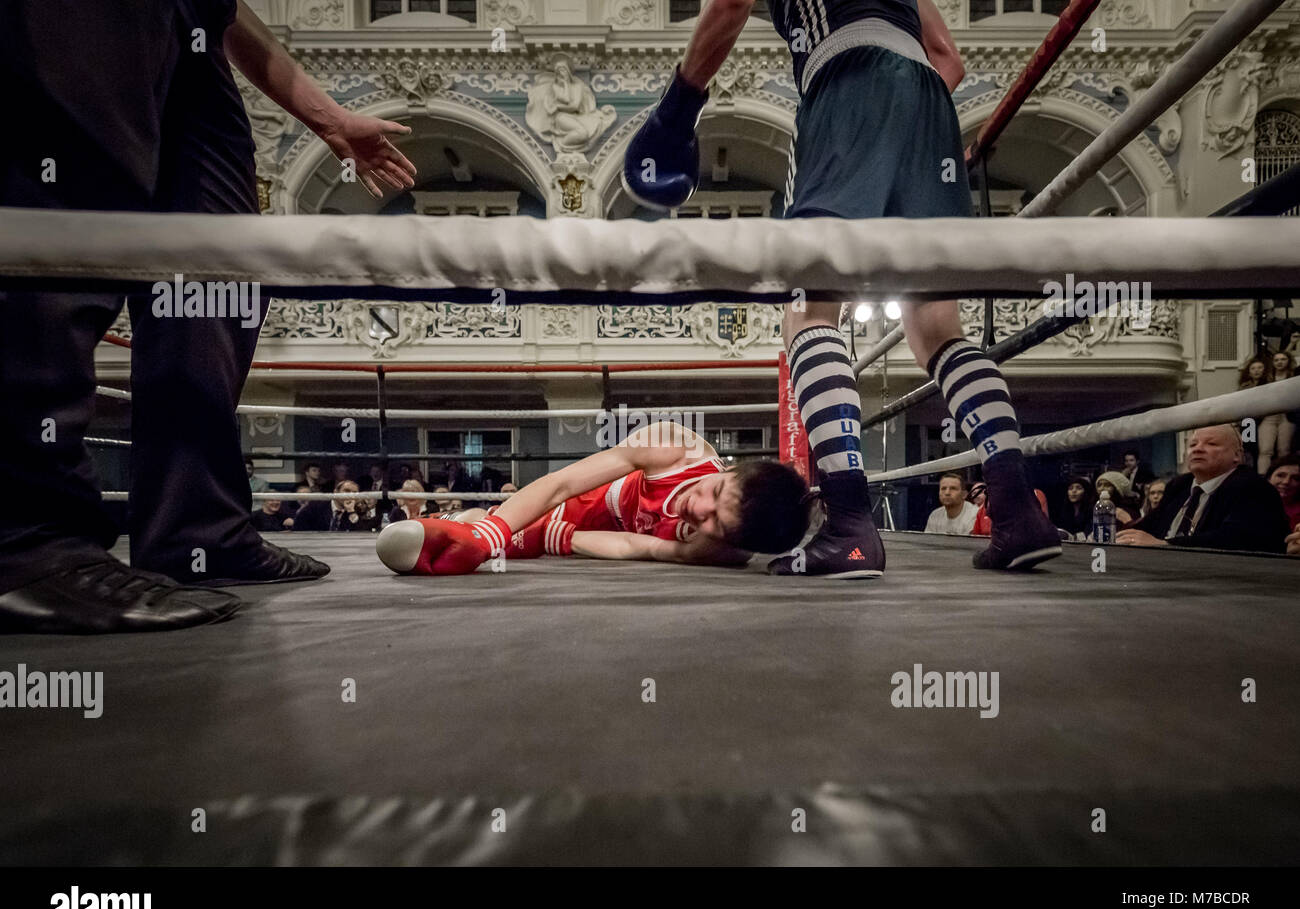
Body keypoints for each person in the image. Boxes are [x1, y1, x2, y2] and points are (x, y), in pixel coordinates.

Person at [1, 0, 413, 630]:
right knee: (71, 193)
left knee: (219, 260)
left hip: (188, 28)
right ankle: (26, 539)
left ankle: (196, 531)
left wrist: (325, 117)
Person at [621, 0, 1059, 576]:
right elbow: (948, 59)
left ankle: (852, 528)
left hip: (846, 83)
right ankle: (1019, 513)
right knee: (935, 331)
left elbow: (728, 4)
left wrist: (679, 108)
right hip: (929, 105)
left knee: (808, 311)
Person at [375, 423, 811, 575]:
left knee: (531, 542)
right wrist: (491, 535)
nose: (698, 510)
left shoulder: (725, 551)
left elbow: (642, 548)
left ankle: (465, 524)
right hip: (587, 501)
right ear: (729, 469)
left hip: (603, 532)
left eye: (715, 522)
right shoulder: (675, 447)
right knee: (506, 538)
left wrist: (562, 541)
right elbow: (564, 483)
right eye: (715, 493)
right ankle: (465, 519)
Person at [1116, 425, 1289, 553]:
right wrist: (1114, 536)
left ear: (1237, 455)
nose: (1198, 449)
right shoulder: (1179, 485)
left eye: (1211, 444)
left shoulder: (1253, 488)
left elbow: (1236, 538)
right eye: (1193, 445)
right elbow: (1149, 525)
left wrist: (1165, 545)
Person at [1257, 351, 1296, 474]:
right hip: (1269, 416)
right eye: (1277, 360)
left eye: (1283, 359)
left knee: (1284, 450)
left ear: (1288, 361)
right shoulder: (1266, 378)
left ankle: (1282, 475)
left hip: (1287, 416)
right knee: (1265, 450)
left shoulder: (1294, 376)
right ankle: (1263, 477)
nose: (1280, 362)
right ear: (1273, 363)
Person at [1266, 454, 1300, 531]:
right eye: (1280, 475)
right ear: (1269, 478)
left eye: (1296, 478)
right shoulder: (1251, 502)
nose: (1286, 482)